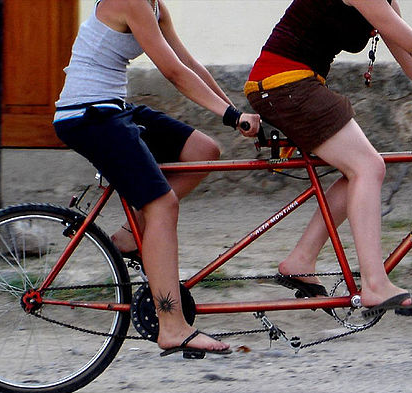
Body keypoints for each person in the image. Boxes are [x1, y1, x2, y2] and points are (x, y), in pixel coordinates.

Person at [245, 0, 412, 317]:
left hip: (290, 85)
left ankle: (301, 260)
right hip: (284, 84)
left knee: (357, 172)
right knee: (369, 167)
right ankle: (375, 284)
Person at [54, 0, 260, 356]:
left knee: (203, 151)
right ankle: (173, 326)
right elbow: (172, 73)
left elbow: (187, 64)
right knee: (162, 204)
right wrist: (229, 116)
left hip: (112, 109)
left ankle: (132, 233)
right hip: (87, 115)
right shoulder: (130, 2)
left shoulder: (155, 6)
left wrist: (237, 112)